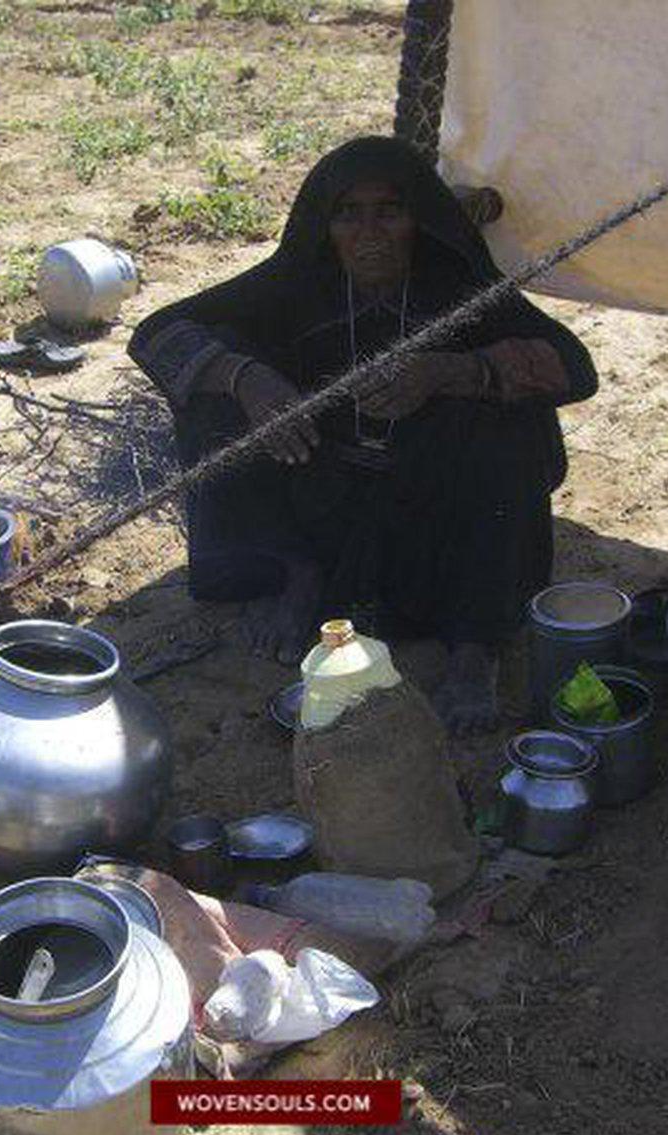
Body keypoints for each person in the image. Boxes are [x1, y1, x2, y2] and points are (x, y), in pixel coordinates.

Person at [127, 136, 597, 733]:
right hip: (323, 490)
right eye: (348, 214)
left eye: (389, 212)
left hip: (438, 503)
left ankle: (474, 650)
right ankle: (296, 572)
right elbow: (156, 334)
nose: (369, 232)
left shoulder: (457, 290)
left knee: (511, 420)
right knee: (213, 385)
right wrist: (248, 380)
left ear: (417, 221)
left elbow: (575, 368)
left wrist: (451, 372)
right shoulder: (296, 287)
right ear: (325, 227)